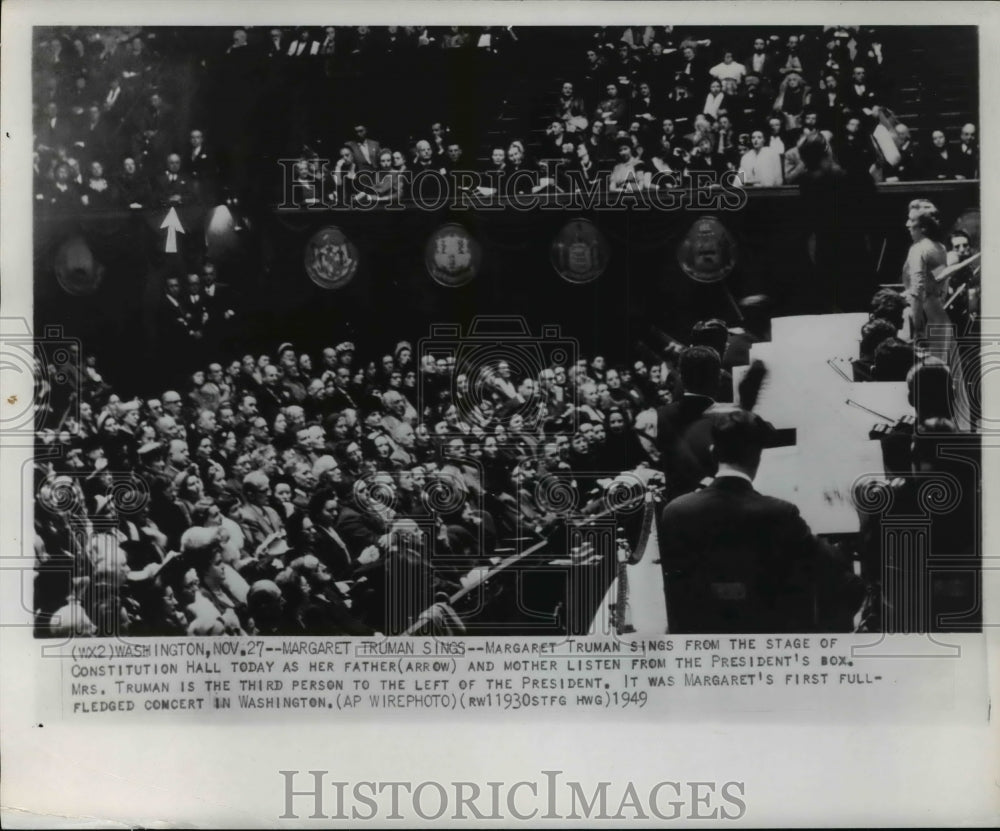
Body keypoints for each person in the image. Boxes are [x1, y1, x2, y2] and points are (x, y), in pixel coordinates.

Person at [658, 409, 861, 633]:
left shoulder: (674, 512)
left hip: (699, 644)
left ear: (713, 452)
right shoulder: (780, 513)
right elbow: (832, 568)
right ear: (757, 458)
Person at [901, 199, 950, 356]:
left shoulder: (918, 249)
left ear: (923, 227)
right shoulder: (939, 247)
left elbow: (917, 292)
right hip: (939, 316)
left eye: (912, 220)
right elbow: (939, 280)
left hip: (922, 317)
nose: (907, 224)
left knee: (926, 374)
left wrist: (918, 332)